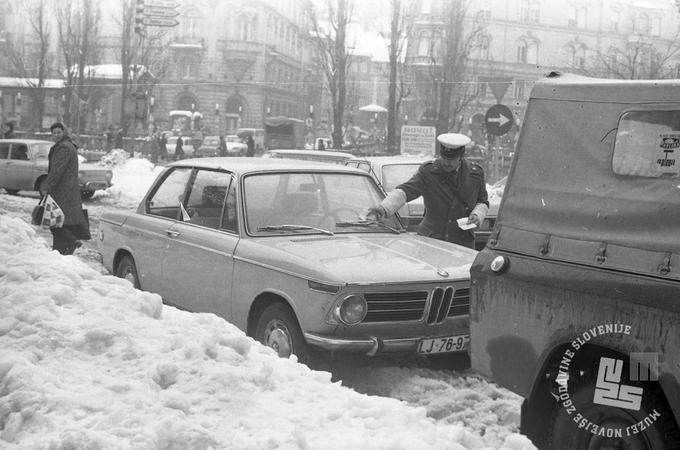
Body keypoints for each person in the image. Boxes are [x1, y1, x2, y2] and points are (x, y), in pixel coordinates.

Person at [368, 133, 489, 249]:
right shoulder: (429, 171)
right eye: (444, 157)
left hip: (462, 242)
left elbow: (482, 201)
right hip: (431, 240)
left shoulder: (475, 173)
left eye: (451, 159)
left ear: (461, 157)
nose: (446, 162)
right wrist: (384, 208)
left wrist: (477, 215)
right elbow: (406, 191)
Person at [44, 122, 87, 255]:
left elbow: (57, 171)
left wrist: (48, 187)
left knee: (55, 222)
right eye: (54, 133)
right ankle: (63, 250)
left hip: (61, 191)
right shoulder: (69, 146)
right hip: (68, 190)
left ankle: (71, 242)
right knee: (63, 222)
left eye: (58, 132)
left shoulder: (63, 148)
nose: (56, 135)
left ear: (64, 132)